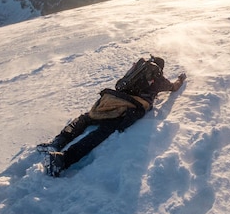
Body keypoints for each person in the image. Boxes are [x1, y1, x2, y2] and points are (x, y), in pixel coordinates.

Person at [38, 56, 186, 177]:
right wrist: (181, 78)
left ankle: (58, 142)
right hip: (130, 106)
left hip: (112, 98)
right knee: (103, 131)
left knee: (86, 118)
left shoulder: (138, 70)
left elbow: (119, 84)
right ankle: (63, 160)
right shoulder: (159, 78)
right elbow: (173, 88)